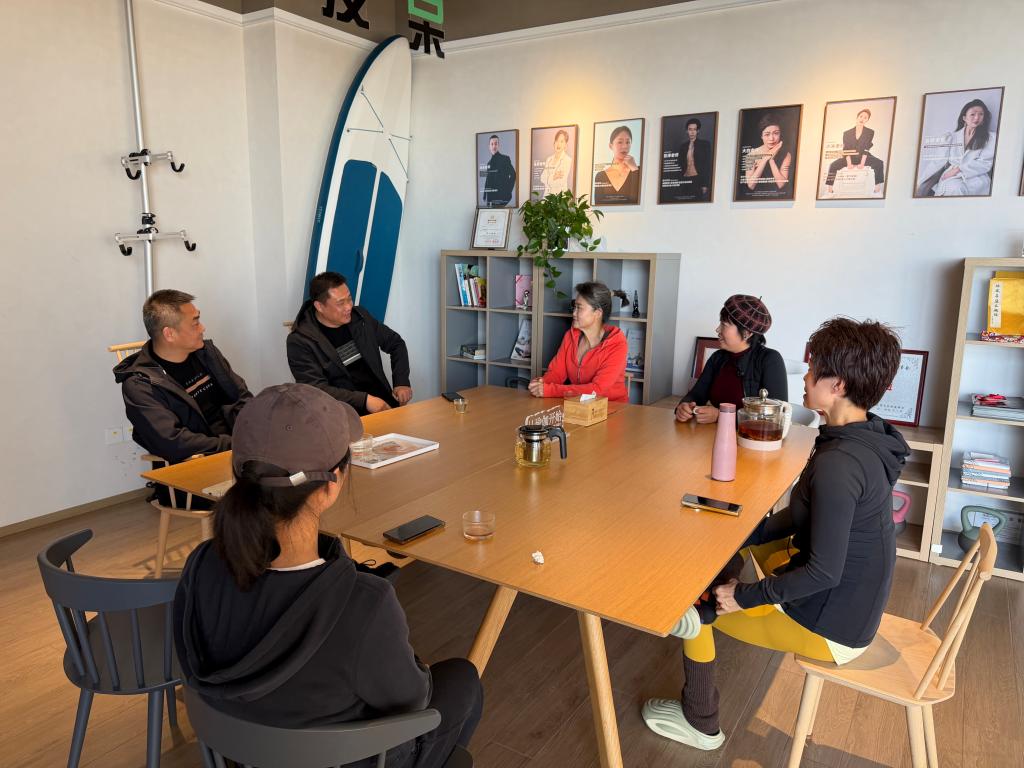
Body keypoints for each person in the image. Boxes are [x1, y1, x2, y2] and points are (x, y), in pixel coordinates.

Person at [174, 383, 483, 768]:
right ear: (331, 484)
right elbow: (412, 701)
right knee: (463, 679)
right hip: (353, 761)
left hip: (238, 751)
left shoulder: (200, 565)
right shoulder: (365, 603)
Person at [644, 317, 910, 751]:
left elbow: (824, 573)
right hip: (853, 602)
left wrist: (744, 597)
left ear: (838, 385)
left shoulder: (839, 464)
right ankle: (724, 582)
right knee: (735, 553)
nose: (804, 377)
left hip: (832, 626)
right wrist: (745, 534)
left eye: (813, 369)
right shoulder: (864, 436)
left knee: (695, 612)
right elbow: (805, 516)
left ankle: (700, 722)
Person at [114, 290, 252, 500]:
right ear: (169, 334)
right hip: (193, 473)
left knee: (294, 469)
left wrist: (253, 434)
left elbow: (241, 398)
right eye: (195, 323)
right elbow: (172, 442)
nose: (203, 328)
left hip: (238, 455)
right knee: (278, 490)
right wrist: (233, 444)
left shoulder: (207, 354)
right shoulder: (140, 385)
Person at [287, 271, 412, 416]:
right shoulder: (300, 341)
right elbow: (315, 389)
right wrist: (365, 400)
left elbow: (396, 344)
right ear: (319, 306)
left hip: (383, 405)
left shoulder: (361, 318)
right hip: (343, 416)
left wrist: (401, 381)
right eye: (341, 303)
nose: (348, 307)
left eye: (349, 299)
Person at [675, 295, 787, 424]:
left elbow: (776, 417)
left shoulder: (770, 360)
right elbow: (697, 394)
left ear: (747, 333)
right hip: (713, 433)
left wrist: (721, 416)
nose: (717, 329)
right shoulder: (717, 358)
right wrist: (684, 407)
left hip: (748, 436)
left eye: (724, 324)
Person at [529, 282, 629, 402]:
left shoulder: (617, 345)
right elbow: (557, 373)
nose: (573, 313)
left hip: (612, 407)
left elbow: (597, 390)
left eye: (579, 308)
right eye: (574, 307)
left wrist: (550, 390)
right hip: (579, 406)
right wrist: (543, 382)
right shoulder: (570, 337)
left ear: (597, 313)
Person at [916, 98, 997, 197]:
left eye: (981, 114)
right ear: (964, 118)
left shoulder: (991, 138)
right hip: (951, 177)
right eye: (972, 114)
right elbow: (938, 162)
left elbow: (985, 163)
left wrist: (958, 170)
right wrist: (919, 182)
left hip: (976, 178)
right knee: (954, 187)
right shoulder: (950, 137)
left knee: (958, 188)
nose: (977, 118)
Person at [825, 108, 885, 195]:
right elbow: (846, 149)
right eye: (861, 116)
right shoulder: (847, 133)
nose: (862, 119)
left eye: (865, 118)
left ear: (867, 120)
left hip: (863, 156)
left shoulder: (870, 132)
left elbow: (866, 148)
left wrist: (862, 163)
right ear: (857, 117)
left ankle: (877, 189)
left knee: (879, 163)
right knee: (833, 165)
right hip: (849, 157)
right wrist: (849, 163)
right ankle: (830, 190)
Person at [741, 113, 792, 196]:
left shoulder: (786, 155)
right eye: (767, 134)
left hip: (778, 198)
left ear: (780, 134)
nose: (771, 138)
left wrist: (771, 160)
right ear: (761, 136)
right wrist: (765, 159)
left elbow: (781, 184)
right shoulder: (751, 155)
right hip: (755, 199)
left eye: (776, 133)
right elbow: (751, 185)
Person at [593, 125, 640, 205]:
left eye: (628, 142)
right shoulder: (600, 176)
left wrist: (634, 168)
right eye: (620, 142)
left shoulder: (637, 170)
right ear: (610, 146)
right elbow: (598, 204)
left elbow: (637, 199)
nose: (625, 146)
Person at [679, 118, 712, 200]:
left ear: (698, 131)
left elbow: (707, 165)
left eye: (694, 129)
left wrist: (705, 184)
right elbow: (680, 163)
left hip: (698, 180)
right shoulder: (683, 146)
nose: (692, 132)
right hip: (685, 180)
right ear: (687, 131)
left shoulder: (705, 144)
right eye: (690, 129)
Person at [482, 134, 516, 207]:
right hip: (490, 199)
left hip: (502, 198)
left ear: (498, 145)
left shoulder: (505, 159)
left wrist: (508, 191)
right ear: (489, 146)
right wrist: (484, 195)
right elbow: (488, 179)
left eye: (496, 144)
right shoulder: (489, 163)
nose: (494, 146)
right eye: (492, 144)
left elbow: (513, 175)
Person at [539, 129, 573, 196]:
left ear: (565, 145)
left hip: (559, 198)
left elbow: (560, 182)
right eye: (557, 141)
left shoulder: (567, 160)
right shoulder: (549, 159)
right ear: (554, 143)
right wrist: (554, 177)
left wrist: (549, 178)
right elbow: (542, 178)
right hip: (547, 197)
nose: (558, 144)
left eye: (561, 141)